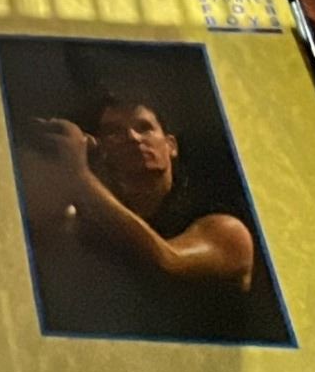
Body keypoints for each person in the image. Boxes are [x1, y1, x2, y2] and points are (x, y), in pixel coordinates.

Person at [20, 91, 280, 342]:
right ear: (102, 149)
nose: (133, 138)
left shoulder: (224, 227)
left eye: (145, 128)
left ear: (171, 145)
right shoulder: (94, 224)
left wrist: (79, 176)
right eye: (114, 132)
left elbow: (169, 261)